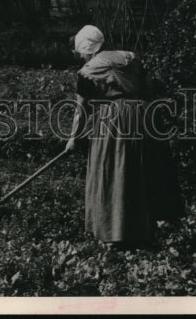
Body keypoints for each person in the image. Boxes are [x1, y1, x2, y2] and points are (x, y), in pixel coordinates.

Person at [65, 25, 184, 247]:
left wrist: (74, 138)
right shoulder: (130, 58)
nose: (80, 56)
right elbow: (149, 87)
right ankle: (152, 226)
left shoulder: (88, 70)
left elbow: (81, 110)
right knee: (144, 167)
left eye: (80, 52)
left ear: (86, 49)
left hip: (114, 120)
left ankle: (116, 233)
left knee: (113, 168)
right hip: (144, 115)